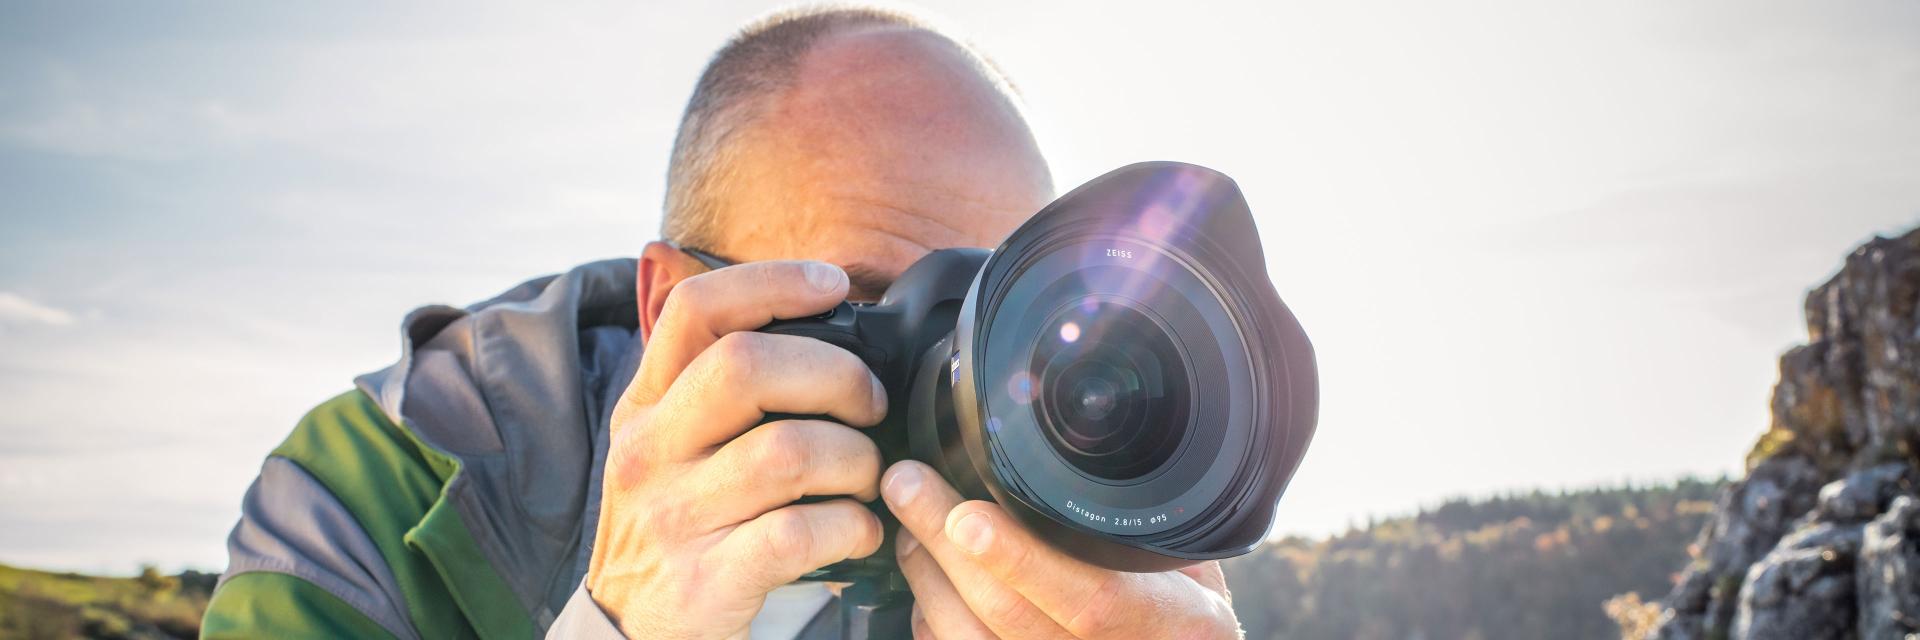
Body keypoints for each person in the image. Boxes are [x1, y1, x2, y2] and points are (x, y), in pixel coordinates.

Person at [203, 6, 1242, 639]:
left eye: (997, 316)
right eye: (870, 309)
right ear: (669, 307)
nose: (960, 383)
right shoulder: (371, 494)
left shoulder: (1077, 543)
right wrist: (622, 630)